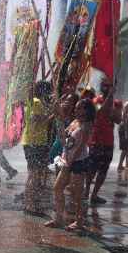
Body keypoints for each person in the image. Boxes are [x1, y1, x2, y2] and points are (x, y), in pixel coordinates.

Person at [45, 98, 95, 231]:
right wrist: (58, 117)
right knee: (57, 188)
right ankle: (58, 218)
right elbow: (63, 137)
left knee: (77, 193)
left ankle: (79, 222)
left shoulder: (87, 125)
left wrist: (70, 162)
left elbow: (81, 146)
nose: (76, 110)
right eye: (76, 107)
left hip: (78, 161)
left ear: (87, 110)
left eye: (80, 108)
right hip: (67, 160)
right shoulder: (75, 122)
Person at [85, 80, 122, 205]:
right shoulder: (96, 101)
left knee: (103, 170)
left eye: (109, 85)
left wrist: (114, 111)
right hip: (96, 141)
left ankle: (94, 195)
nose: (106, 87)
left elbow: (118, 120)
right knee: (91, 169)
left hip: (108, 142)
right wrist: (109, 99)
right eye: (105, 85)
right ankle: (85, 192)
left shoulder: (117, 103)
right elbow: (100, 113)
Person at [21, 81, 54, 214]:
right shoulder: (36, 102)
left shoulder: (33, 101)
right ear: (43, 91)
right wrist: (52, 115)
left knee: (34, 174)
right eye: (48, 91)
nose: (49, 94)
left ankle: (30, 202)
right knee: (34, 175)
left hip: (33, 142)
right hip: (34, 142)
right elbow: (36, 119)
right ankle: (29, 204)